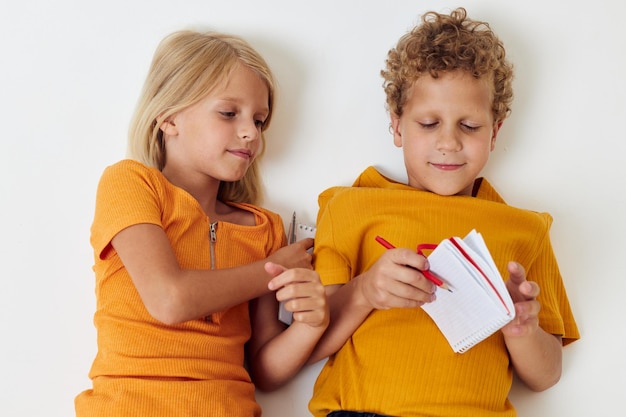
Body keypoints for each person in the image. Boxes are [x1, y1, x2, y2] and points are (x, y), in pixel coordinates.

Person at [307, 8, 579, 417]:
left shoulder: (525, 230)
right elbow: (310, 340)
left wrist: (520, 327)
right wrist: (366, 290)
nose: (448, 143)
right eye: (429, 123)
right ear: (397, 127)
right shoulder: (350, 206)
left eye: (469, 126)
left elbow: (546, 375)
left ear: (494, 132)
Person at [74, 30, 329, 417]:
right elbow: (169, 299)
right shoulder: (130, 183)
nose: (251, 133)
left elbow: (264, 370)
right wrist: (274, 269)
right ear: (169, 118)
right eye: (229, 113)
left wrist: (310, 324)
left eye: (259, 120)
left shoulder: (265, 229)